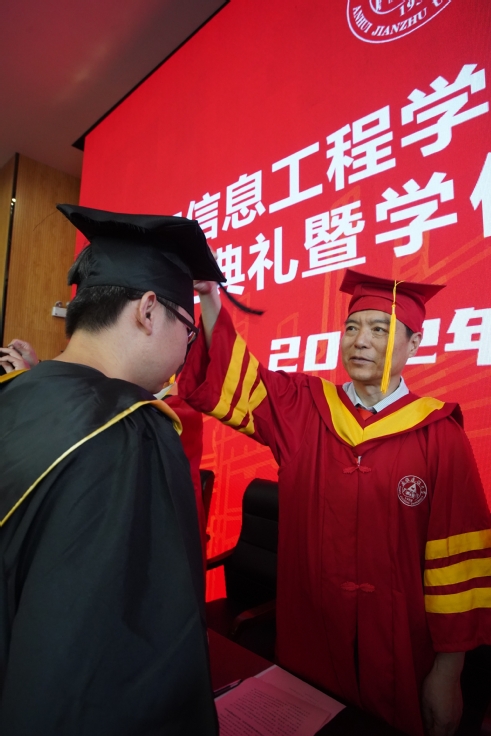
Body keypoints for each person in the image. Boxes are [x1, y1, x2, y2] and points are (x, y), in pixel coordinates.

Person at [180, 270, 491, 736]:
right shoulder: (303, 407)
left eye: (380, 329)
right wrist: (210, 301)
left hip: (401, 651)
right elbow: (230, 378)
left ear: (414, 344)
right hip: (310, 639)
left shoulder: (440, 436)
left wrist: (448, 673)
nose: (360, 340)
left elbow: (458, 566)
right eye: (352, 327)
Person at [0, 204, 224, 736]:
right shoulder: (131, 433)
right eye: (188, 331)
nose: (185, 349)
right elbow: (125, 667)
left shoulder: (16, 394)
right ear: (148, 310)